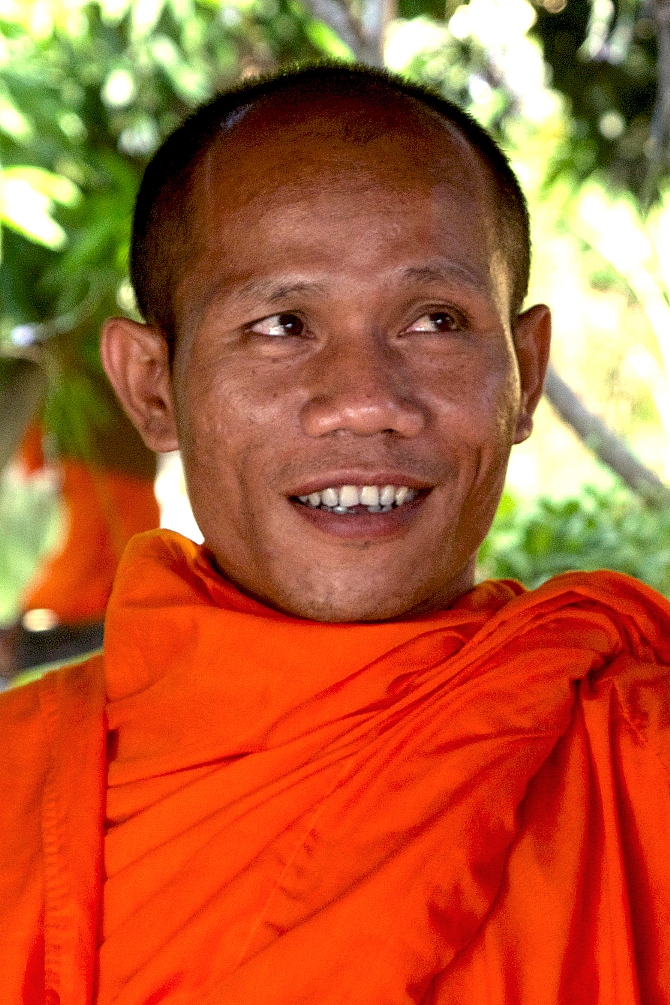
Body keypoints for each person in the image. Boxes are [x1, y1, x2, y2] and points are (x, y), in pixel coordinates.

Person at [1, 64, 669, 1005]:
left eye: (436, 320)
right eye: (282, 325)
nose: (364, 402)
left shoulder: (638, 763)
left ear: (524, 370)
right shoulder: (16, 790)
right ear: (153, 386)